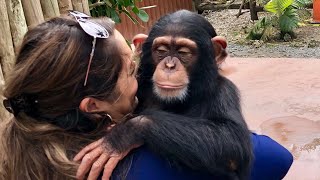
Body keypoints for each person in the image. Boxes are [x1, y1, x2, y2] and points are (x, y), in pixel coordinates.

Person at [0, 11, 292, 180]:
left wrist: (145, 125)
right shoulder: (127, 164)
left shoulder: (21, 138)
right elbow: (274, 158)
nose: (167, 66)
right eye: (131, 69)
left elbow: (235, 150)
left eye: (184, 53)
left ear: (213, 53)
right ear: (94, 106)